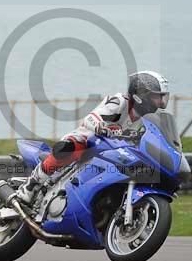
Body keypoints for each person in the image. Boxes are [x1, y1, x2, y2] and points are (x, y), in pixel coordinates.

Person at [15, 70, 170, 204]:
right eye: (157, 97)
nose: (161, 102)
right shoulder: (119, 102)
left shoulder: (148, 120)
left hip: (117, 151)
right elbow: (91, 118)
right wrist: (100, 126)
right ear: (141, 95)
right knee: (69, 147)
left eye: (162, 97)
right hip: (91, 140)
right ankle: (31, 184)